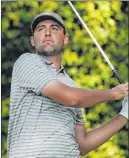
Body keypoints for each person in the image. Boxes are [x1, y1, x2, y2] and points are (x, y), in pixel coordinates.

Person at [8, 12, 128, 158]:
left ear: (65, 39)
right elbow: (71, 98)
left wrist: (124, 115)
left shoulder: (72, 86)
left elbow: (82, 145)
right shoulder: (27, 62)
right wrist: (113, 94)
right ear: (32, 41)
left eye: (54, 28)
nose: (47, 33)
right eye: (40, 29)